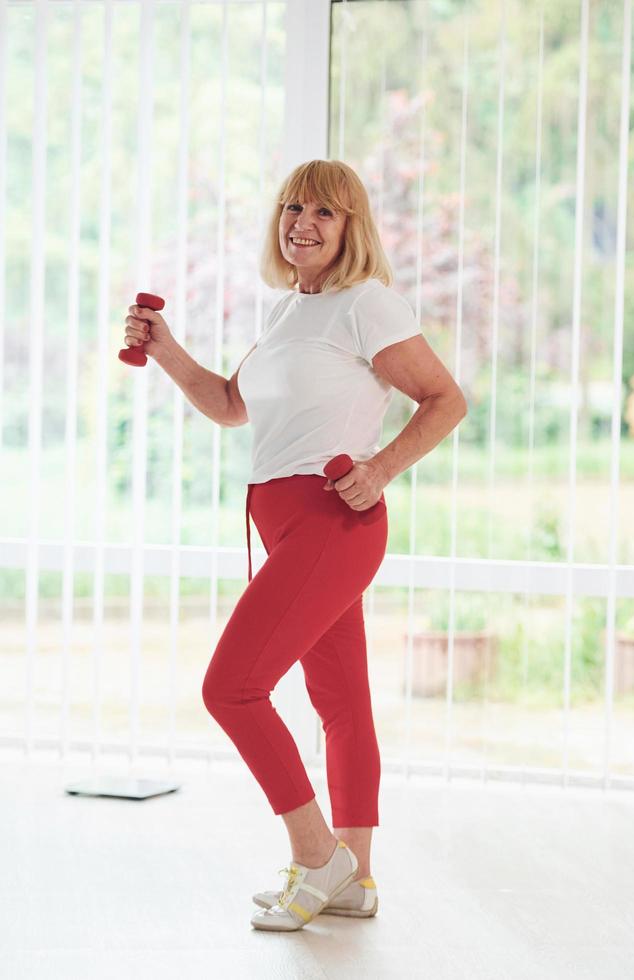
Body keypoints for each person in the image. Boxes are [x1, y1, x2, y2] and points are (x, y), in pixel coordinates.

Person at [122, 159, 467, 932]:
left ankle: (317, 858)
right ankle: (356, 879)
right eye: (292, 208)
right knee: (341, 703)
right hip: (283, 527)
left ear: (352, 227)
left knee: (231, 689)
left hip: (330, 521)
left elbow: (445, 398)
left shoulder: (366, 304)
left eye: (324, 212)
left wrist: (381, 468)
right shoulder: (286, 312)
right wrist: (166, 346)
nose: (301, 223)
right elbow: (228, 405)